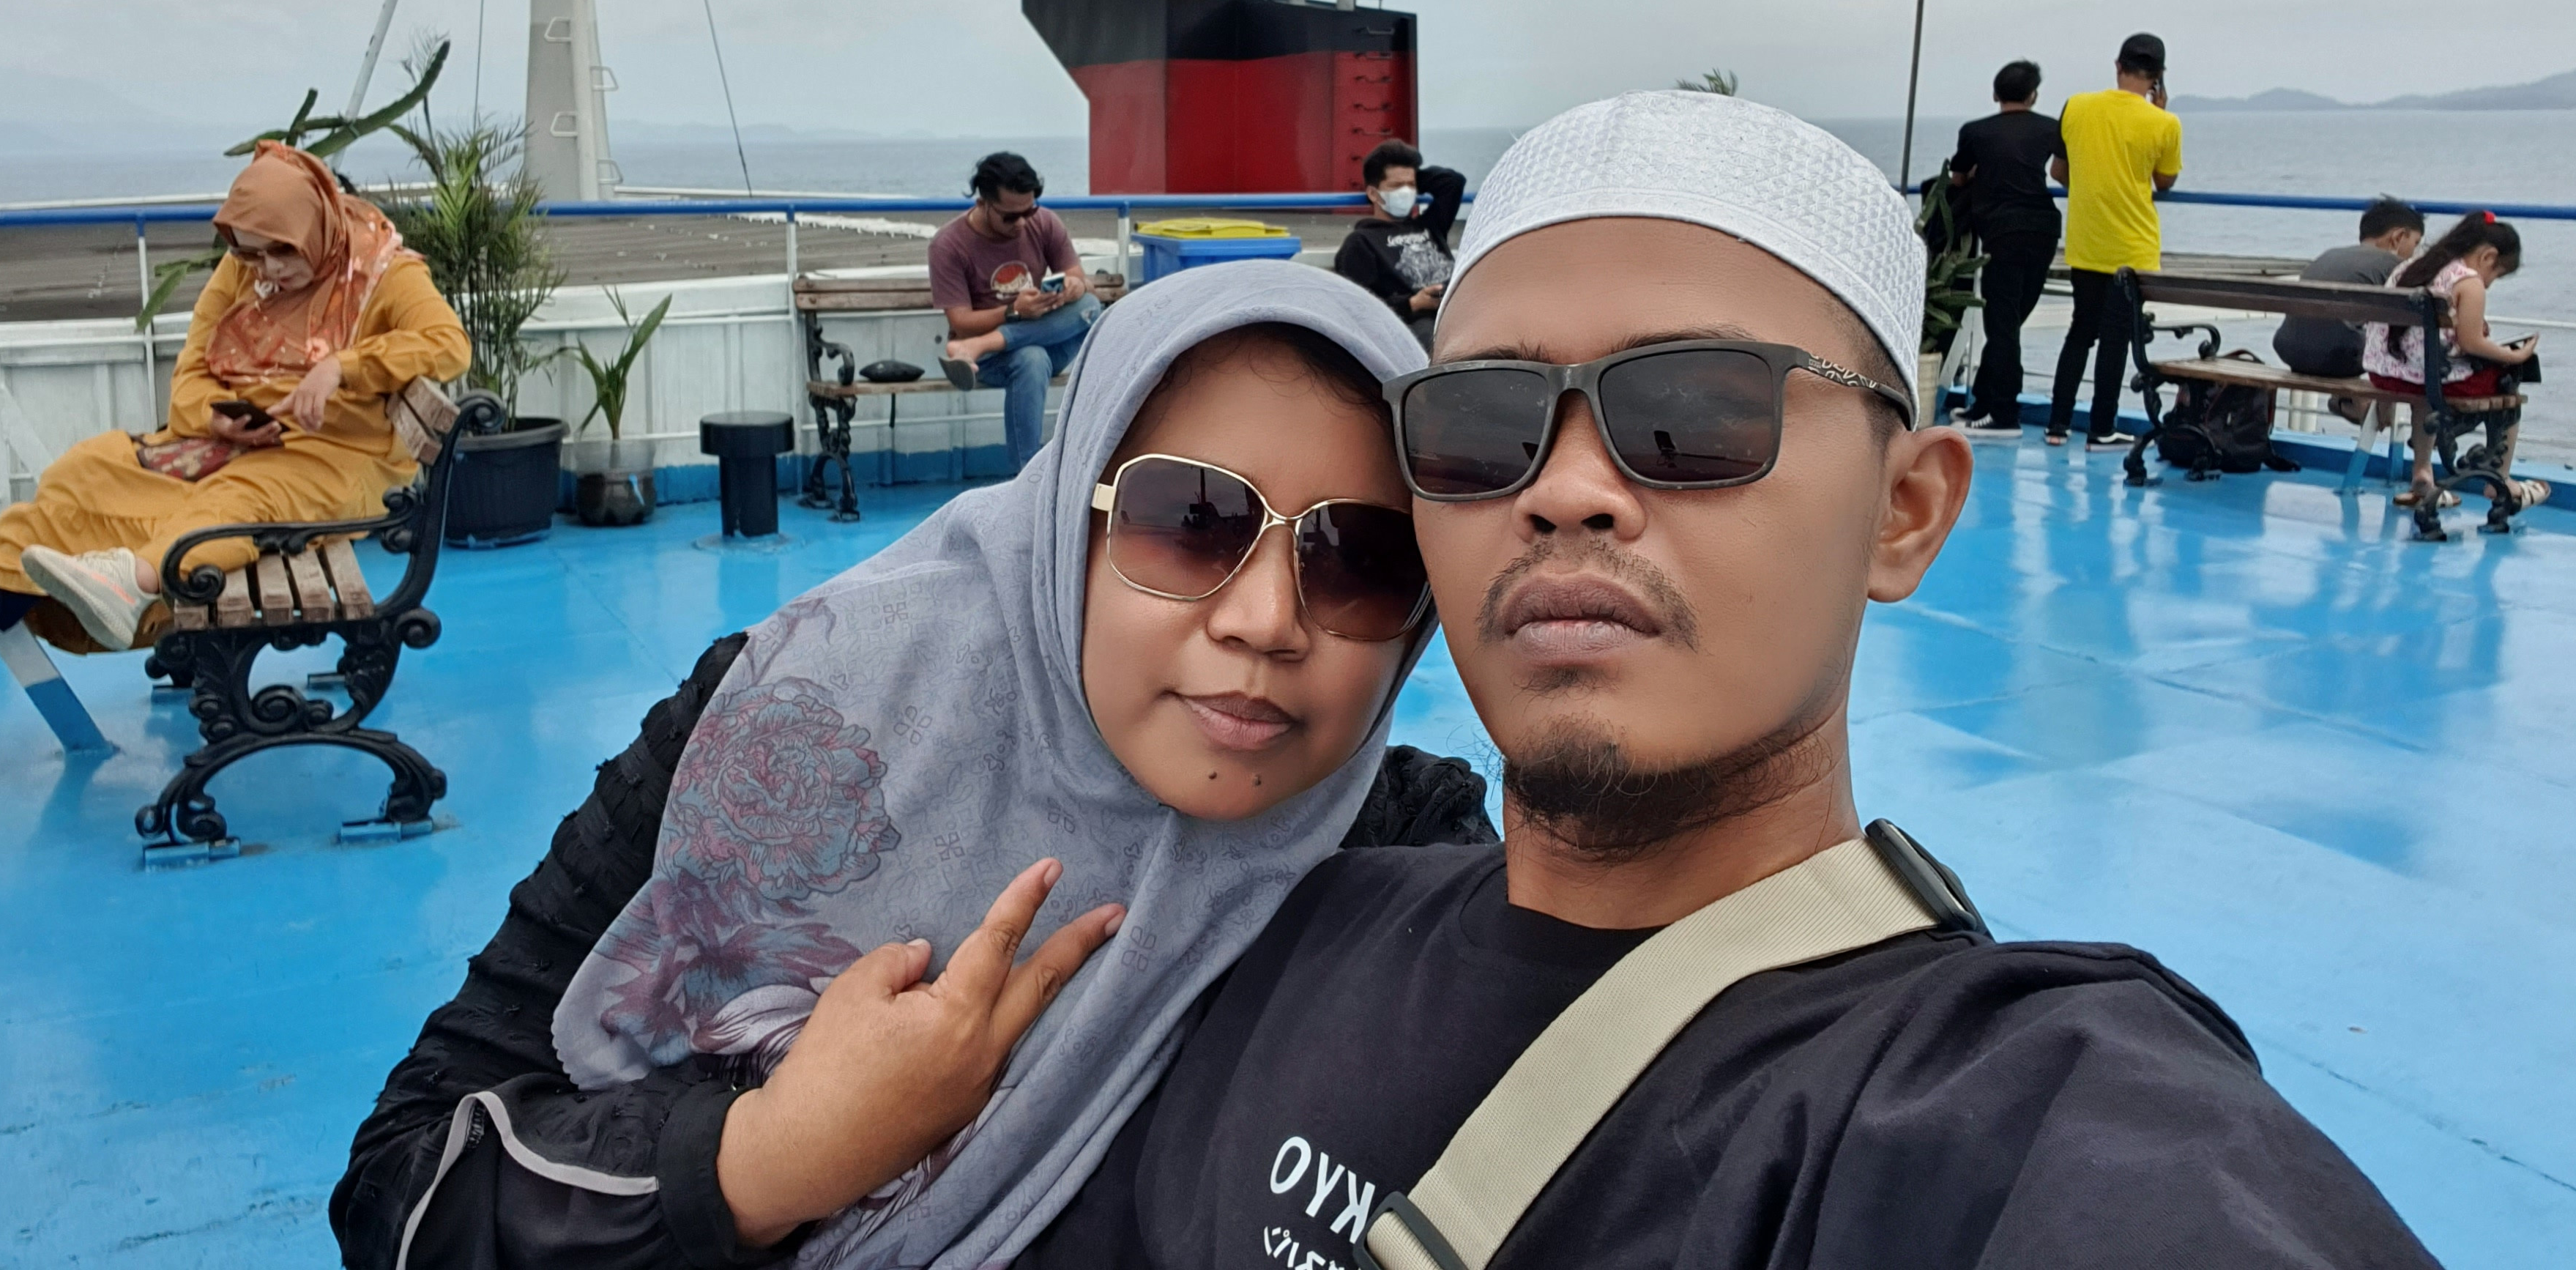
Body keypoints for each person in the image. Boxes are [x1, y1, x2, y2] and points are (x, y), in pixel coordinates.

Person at [1006, 92, 2433, 1268]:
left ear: (1904, 512)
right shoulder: (1264, 923)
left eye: (1692, 413)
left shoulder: (1996, 1114)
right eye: (1482, 424)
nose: (1564, 489)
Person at [330, 261, 1496, 1269]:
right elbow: (400, 1186)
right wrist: (767, 1159)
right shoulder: (791, 713)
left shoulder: (1411, 867)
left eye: (1360, 558)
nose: (1266, 620)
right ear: (1070, 525)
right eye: (1191, 520)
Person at [0, 143, 469, 675]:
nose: (268, 272)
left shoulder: (385, 275)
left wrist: (342, 367)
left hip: (334, 458)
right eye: (253, 256)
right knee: (87, 470)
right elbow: (194, 366)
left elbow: (448, 344)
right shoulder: (244, 270)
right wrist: (214, 418)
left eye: (281, 255)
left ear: (315, 226)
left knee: (235, 504)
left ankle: (133, 582)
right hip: (239, 444)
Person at [2046, 33, 2183, 448]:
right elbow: (2165, 181)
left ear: (2118, 66)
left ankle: (2057, 425)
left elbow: (2058, 171)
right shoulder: (2164, 123)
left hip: (2086, 240)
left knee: (2080, 332)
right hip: (2132, 248)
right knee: (2115, 340)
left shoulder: (2076, 106)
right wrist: (2159, 113)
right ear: (2158, 77)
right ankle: (2101, 428)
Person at [932, 151, 1102, 471]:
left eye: (1029, 211)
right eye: (1010, 217)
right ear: (983, 203)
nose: (1023, 222)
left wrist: (1075, 287)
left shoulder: (1045, 222)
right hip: (989, 361)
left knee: (1091, 305)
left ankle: (976, 346)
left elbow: (1080, 281)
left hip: (1036, 338)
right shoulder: (948, 245)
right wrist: (1013, 311)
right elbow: (961, 323)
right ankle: (1027, 478)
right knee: (1031, 359)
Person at [2364, 209, 2541, 515]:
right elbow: (2472, 343)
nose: (2490, 283)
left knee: (2427, 384)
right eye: (2496, 274)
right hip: (2429, 376)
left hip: (2387, 373)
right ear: (2488, 257)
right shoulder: (2468, 281)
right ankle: (2500, 479)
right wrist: (2516, 356)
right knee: (2510, 382)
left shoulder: (2413, 266)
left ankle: (2422, 471)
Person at [1943, 59, 2064, 435]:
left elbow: (1958, 177)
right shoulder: (2051, 128)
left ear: (1996, 94)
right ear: (2034, 95)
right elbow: (2062, 170)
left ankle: (2005, 414)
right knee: (2008, 323)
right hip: (2043, 229)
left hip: (2002, 232)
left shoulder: (1976, 132)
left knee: (2003, 324)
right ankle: (1985, 400)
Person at [2275, 197, 2425, 422]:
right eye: (2415, 243)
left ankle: (2350, 401)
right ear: (2398, 237)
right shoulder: (2394, 266)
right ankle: (2379, 413)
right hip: (2340, 359)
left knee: (2350, 333)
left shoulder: (2328, 255)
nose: (2415, 253)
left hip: (2291, 353)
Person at [1329, 139, 1464, 350]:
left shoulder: (1430, 225)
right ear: (1373, 193)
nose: (1405, 192)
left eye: (1411, 186)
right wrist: (1412, 304)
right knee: (1431, 337)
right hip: (1415, 323)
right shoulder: (1361, 242)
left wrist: (1411, 176)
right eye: (1396, 186)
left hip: (1458, 309)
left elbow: (1453, 182)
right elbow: (1358, 309)